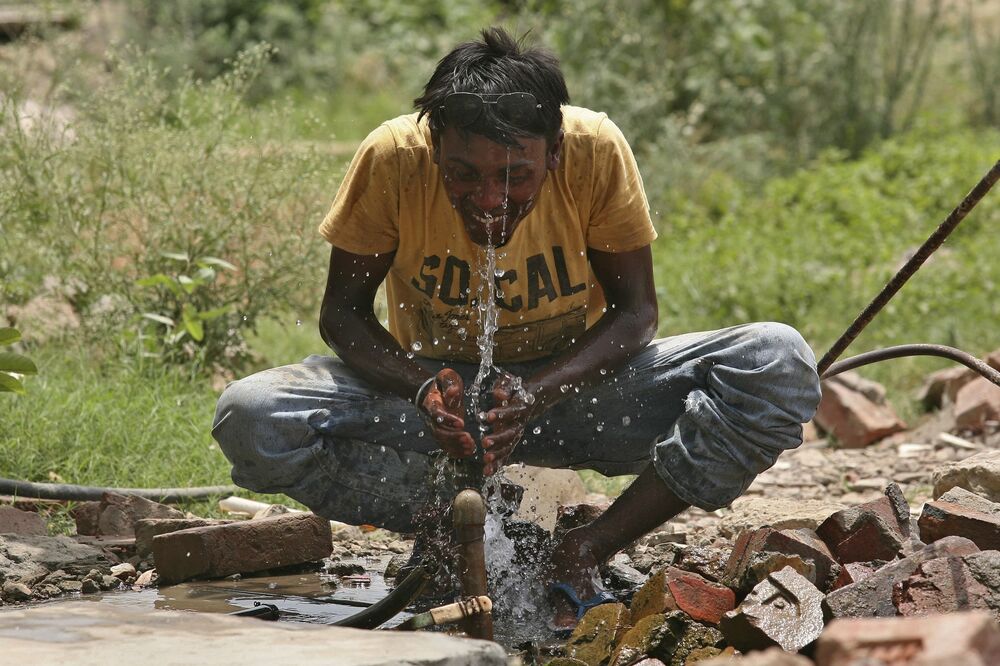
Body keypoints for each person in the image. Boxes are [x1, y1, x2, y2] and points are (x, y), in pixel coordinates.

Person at [212, 27, 821, 630]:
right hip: (440, 413)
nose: (488, 199)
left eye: (515, 176)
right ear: (434, 147)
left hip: (578, 396)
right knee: (253, 416)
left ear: (553, 151)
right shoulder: (394, 158)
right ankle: (449, 524)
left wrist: (537, 394)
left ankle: (583, 547)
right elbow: (342, 315)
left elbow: (636, 312)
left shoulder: (594, 150)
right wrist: (422, 389)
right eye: (463, 175)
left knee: (776, 360)